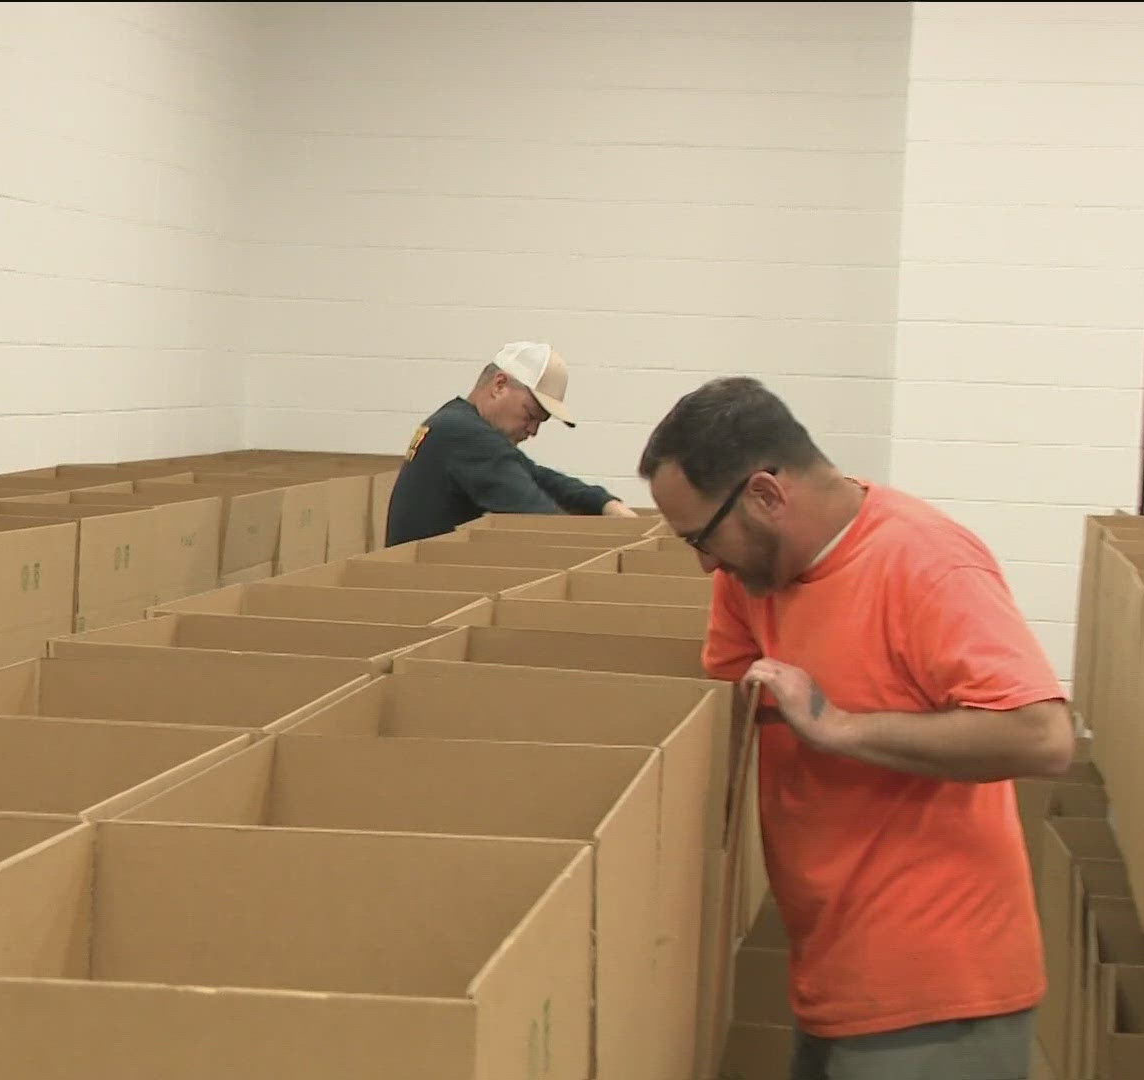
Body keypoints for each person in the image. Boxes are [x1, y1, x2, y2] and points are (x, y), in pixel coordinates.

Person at [637, 376, 1073, 1080]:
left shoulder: (924, 562)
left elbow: (1043, 736)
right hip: (830, 969)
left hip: (937, 989)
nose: (705, 562)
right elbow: (729, 693)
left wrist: (840, 727)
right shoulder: (754, 575)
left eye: (703, 537)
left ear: (767, 495)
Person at [385, 342, 637, 546]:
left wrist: (604, 503)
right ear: (499, 385)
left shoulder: (454, 421)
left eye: (541, 421)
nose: (533, 430)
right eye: (530, 414)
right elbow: (539, 519)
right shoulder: (466, 435)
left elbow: (535, 475)